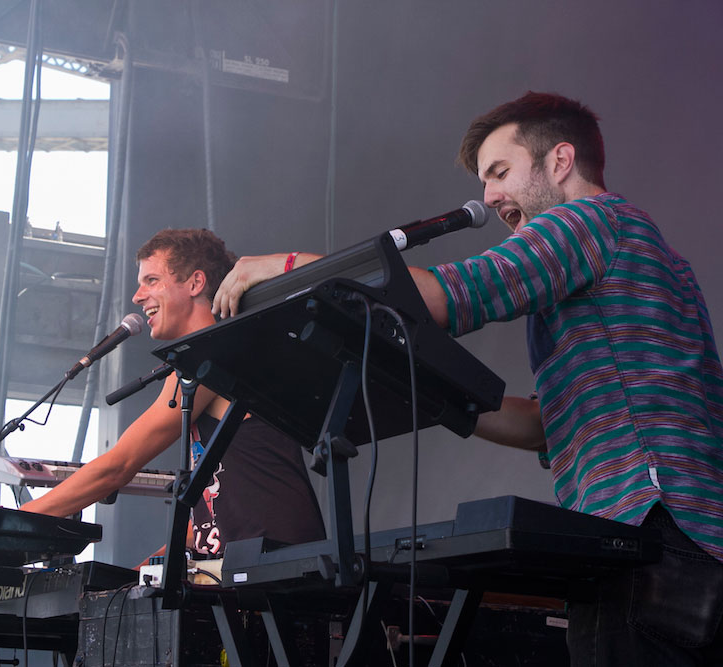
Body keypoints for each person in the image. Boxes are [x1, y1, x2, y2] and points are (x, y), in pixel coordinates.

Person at [212, 92, 723, 665]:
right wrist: (428, 390)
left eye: (500, 172)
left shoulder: (588, 221)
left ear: (560, 161)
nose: (488, 197)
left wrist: (288, 268)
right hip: (688, 546)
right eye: (484, 181)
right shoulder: (648, 255)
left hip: (648, 534)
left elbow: (454, 292)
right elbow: (541, 428)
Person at [20, 228, 325, 557]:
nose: (138, 296)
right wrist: (141, 577)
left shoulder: (213, 351)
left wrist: (18, 521)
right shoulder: (200, 360)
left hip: (276, 567)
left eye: (151, 280)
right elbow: (215, 508)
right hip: (247, 563)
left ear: (195, 283)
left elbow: (119, 465)